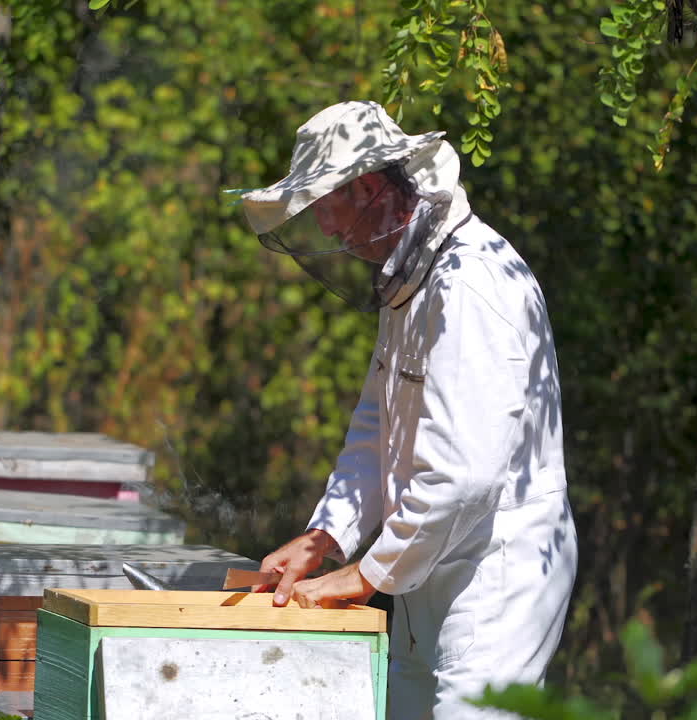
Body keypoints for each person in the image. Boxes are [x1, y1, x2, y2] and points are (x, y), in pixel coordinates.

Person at [239, 100, 577, 720]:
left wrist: (365, 575)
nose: (330, 234)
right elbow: (379, 429)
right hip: (425, 571)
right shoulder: (412, 280)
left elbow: (464, 473)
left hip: (494, 576)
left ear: (366, 187)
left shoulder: (468, 285)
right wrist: (327, 536)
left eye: (326, 212)